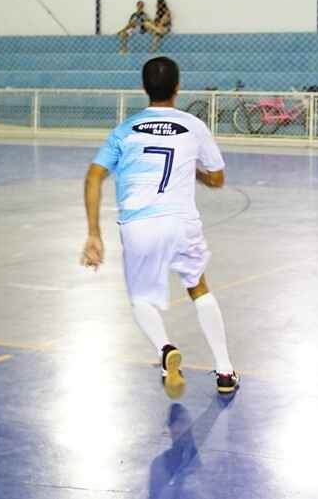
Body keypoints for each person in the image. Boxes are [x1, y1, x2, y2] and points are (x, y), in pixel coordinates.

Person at [81, 56, 239, 397]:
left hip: (139, 224)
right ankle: (225, 371)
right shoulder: (194, 126)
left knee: (141, 298)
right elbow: (218, 178)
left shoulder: (125, 129)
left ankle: (165, 349)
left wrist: (94, 233)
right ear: (178, 87)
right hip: (181, 222)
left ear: (143, 88)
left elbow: (94, 176)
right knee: (198, 288)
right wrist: (194, 172)